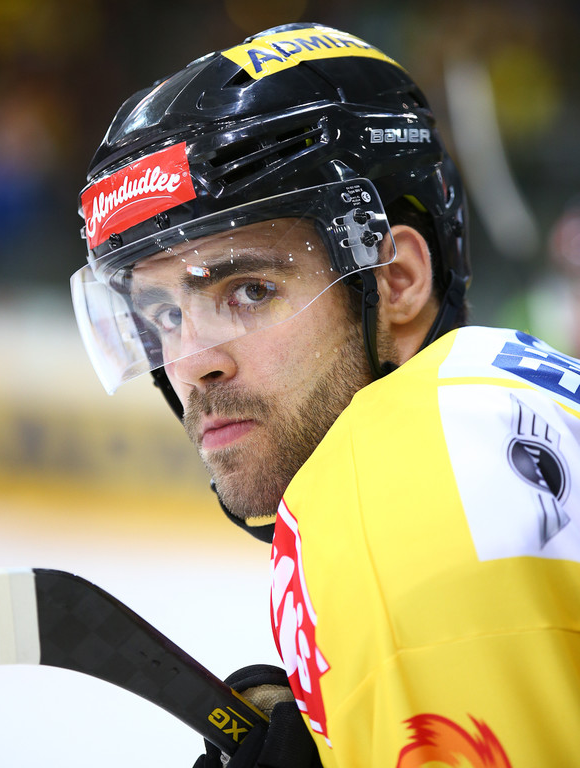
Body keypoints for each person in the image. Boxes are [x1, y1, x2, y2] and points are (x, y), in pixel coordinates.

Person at [71, 22, 580, 768]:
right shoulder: (499, 402)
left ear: (396, 281)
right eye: (165, 315)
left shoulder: (391, 485)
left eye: (249, 289)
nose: (192, 364)